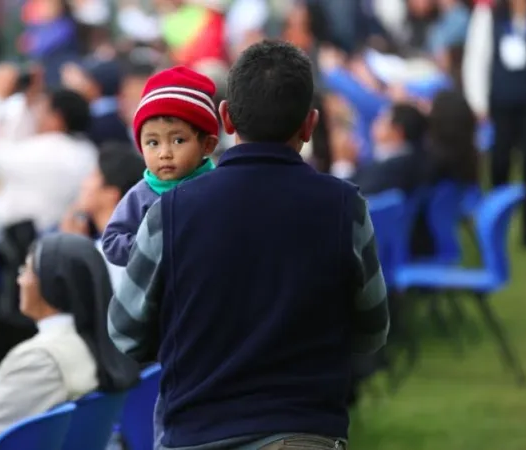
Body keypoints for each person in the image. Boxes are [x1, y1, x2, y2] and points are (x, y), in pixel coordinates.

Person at [108, 40, 389, 450]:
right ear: (309, 125)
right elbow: (371, 330)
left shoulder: (170, 213)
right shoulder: (344, 208)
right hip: (304, 432)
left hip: (194, 433)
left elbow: (125, 332)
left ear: (225, 118)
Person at [0, 233, 139, 449]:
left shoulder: (38, 358)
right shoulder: (106, 340)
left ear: (50, 285)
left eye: (26, 270)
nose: (19, 280)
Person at [101, 66, 219, 267]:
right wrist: (154, 247)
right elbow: (112, 243)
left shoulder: (218, 187)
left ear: (207, 144)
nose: (164, 153)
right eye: (153, 143)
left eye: (178, 140)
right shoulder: (141, 196)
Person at [0, 64, 98, 233]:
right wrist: (28, 98)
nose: (37, 113)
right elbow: (19, 140)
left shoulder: (49, 151)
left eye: (43, 109)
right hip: (50, 232)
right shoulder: (86, 151)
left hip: (16, 239)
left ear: (56, 119)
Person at [463, 0, 526, 247]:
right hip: (500, 104)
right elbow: (477, 58)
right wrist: (479, 103)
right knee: (499, 163)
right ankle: (496, 225)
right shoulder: (489, 13)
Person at [61, 141, 146, 286]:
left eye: (94, 176)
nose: (84, 183)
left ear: (111, 194)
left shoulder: (114, 254)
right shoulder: (123, 244)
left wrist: (73, 249)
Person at [331, 102, 429, 195]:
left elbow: (341, 198)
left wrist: (343, 162)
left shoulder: (391, 170)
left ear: (397, 132)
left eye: (382, 120)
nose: (375, 123)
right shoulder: (413, 157)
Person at [61, 57, 132, 146]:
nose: (84, 85)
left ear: (96, 87)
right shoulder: (123, 113)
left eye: (88, 80)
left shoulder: (94, 119)